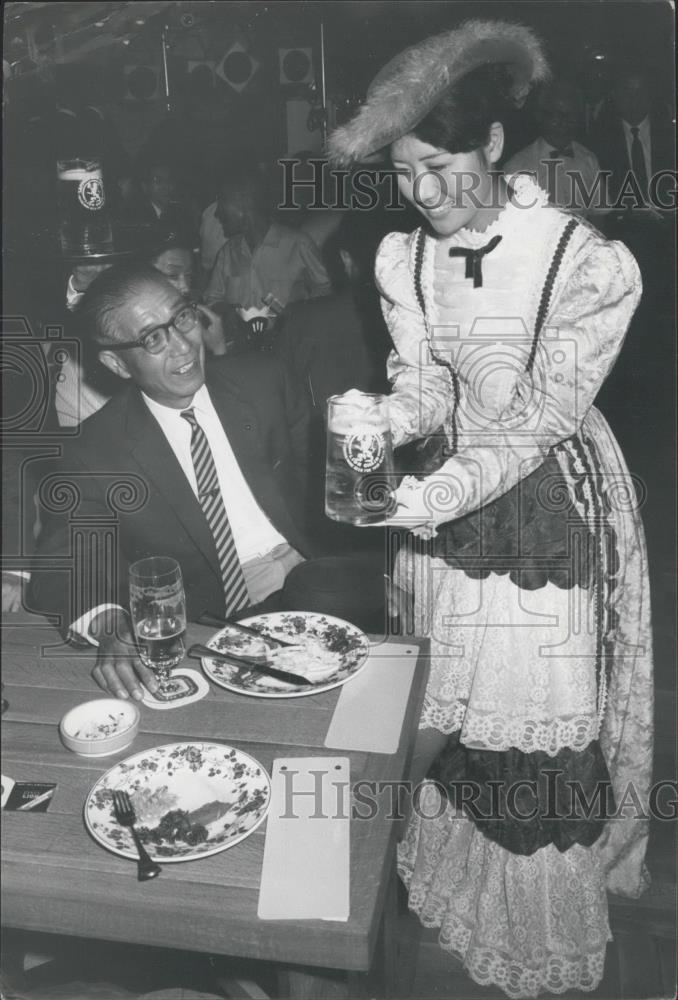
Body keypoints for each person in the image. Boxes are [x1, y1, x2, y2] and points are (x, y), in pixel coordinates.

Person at [329, 19, 652, 998]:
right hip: (444, 497)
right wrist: (389, 413)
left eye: (440, 166)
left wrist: (440, 490)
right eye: (402, 172)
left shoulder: (579, 262)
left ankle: (532, 920)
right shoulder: (406, 260)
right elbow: (429, 383)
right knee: (444, 701)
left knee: (524, 718)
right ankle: (411, 867)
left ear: (497, 146)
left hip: (544, 508)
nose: (423, 192)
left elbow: (543, 416)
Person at [29, 264, 312, 701]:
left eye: (182, 318)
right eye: (152, 339)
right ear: (115, 363)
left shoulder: (263, 380)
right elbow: (65, 568)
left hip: (311, 572)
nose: (182, 346)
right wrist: (112, 623)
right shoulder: (93, 451)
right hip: (212, 617)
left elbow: (324, 488)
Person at [55, 235, 229, 427]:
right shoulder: (96, 355)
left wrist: (218, 352)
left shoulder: (190, 325)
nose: (184, 287)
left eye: (189, 276)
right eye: (171, 275)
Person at [204, 164, 332, 314]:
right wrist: (231, 313)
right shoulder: (227, 253)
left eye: (223, 201)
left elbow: (328, 292)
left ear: (243, 201)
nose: (217, 212)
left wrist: (296, 316)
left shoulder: (298, 245)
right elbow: (211, 299)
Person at [504, 79, 603, 217]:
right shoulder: (517, 166)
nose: (564, 123)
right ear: (540, 116)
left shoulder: (588, 159)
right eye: (557, 114)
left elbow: (599, 215)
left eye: (571, 115)